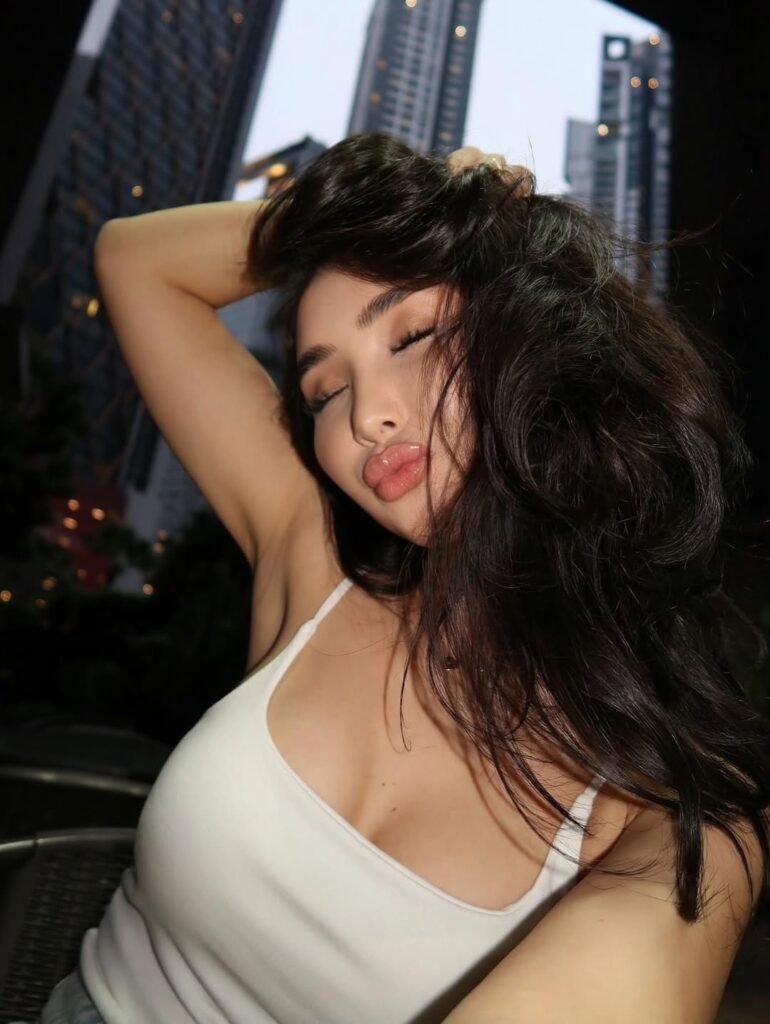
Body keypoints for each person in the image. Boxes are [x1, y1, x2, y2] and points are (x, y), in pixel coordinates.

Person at [34, 133, 770, 1023]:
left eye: (413, 336)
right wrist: (382, 217)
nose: (365, 416)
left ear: (537, 343)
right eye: (323, 391)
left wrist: (467, 229)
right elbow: (135, 260)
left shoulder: (659, 804)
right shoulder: (312, 567)